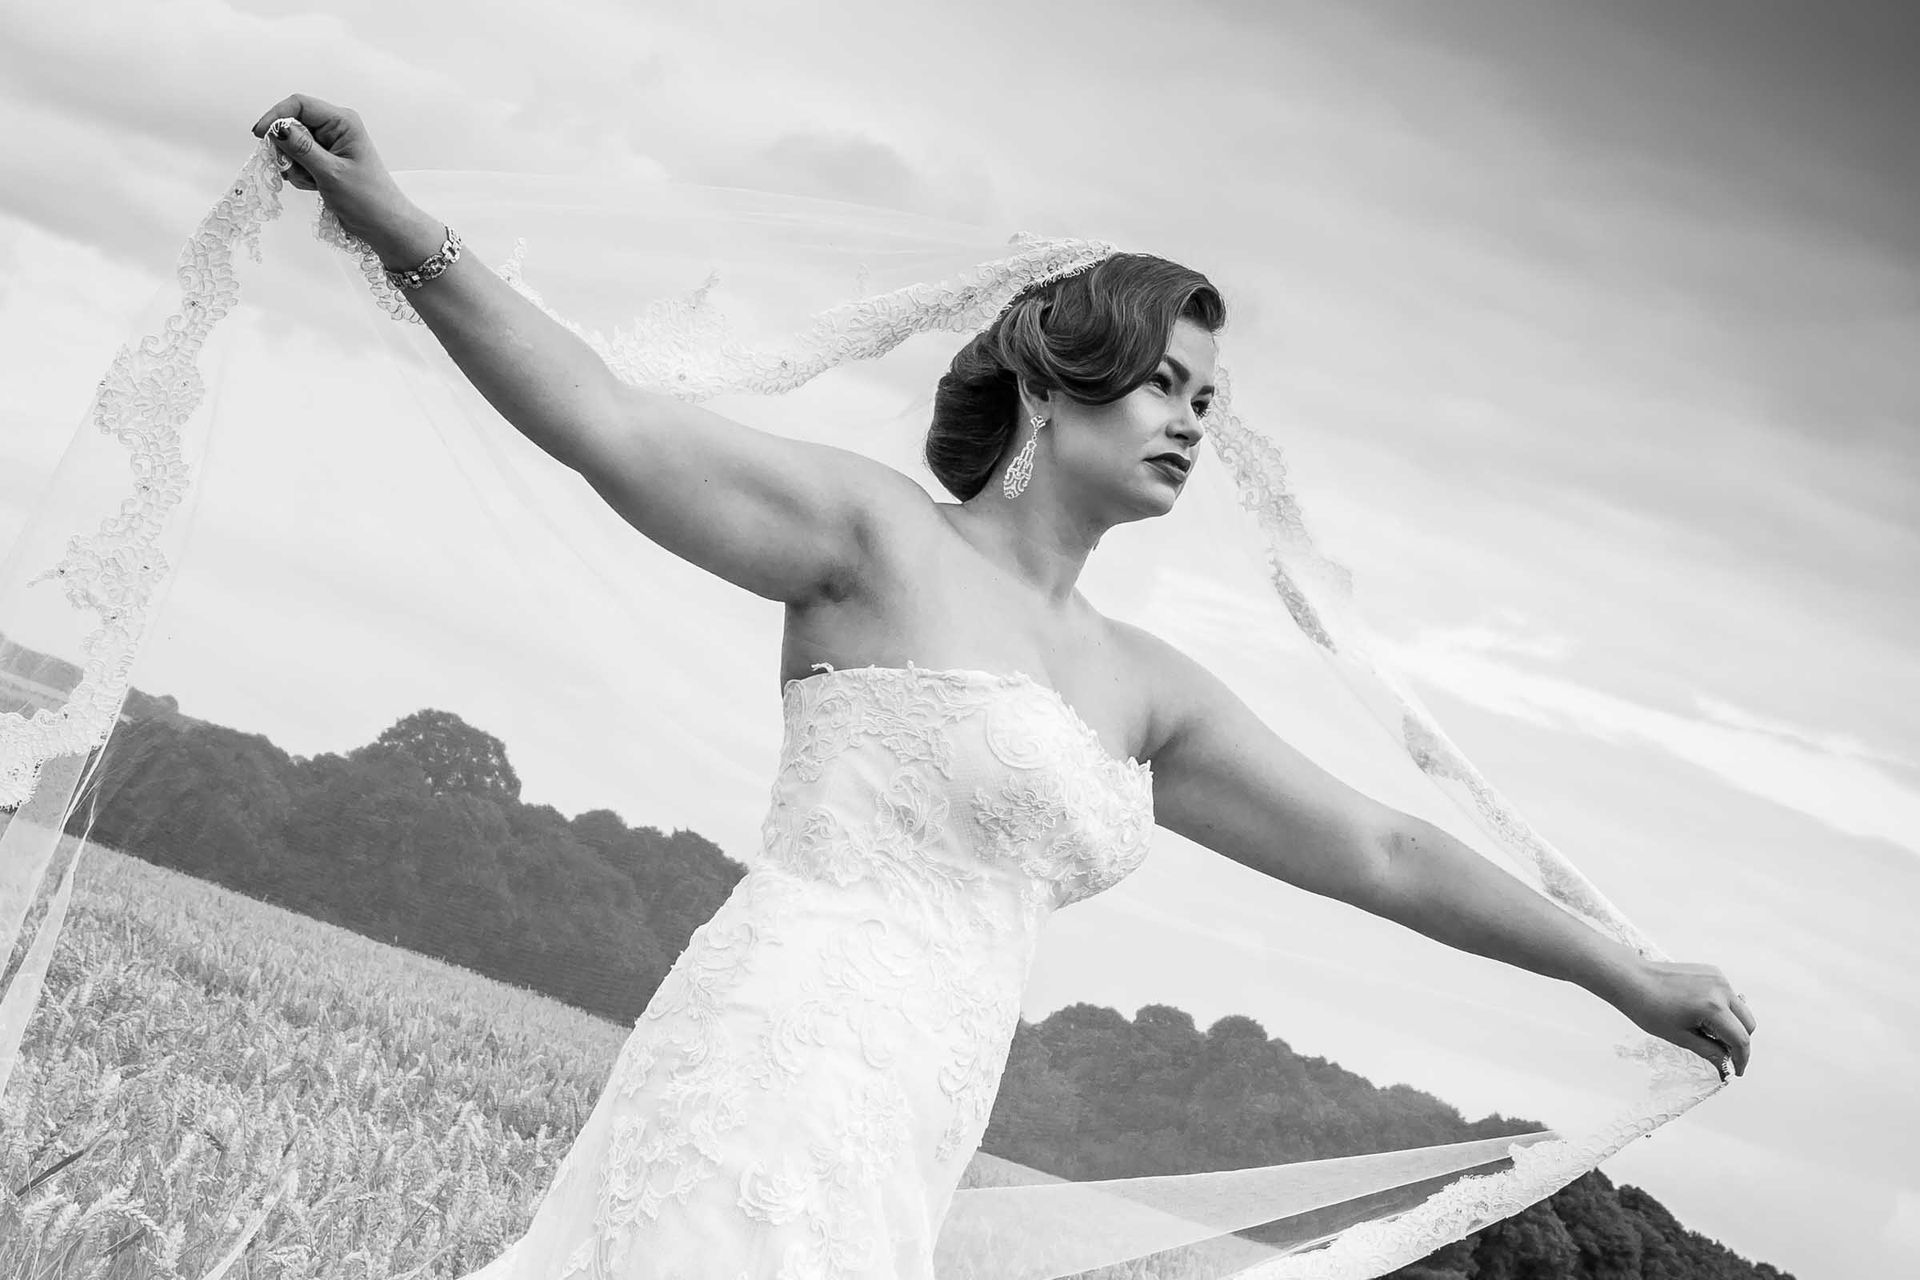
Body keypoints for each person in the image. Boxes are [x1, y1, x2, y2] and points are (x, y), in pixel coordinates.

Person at [240, 93, 1756, 1279]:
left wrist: (1620, 969)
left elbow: (1384, 850)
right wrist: (395, 222)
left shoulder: (1148, 687)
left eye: (1209, 403)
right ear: (1055, 379)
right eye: (1165, 381)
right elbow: (609, 427)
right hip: (773, 1058)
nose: (1190, 422)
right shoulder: (869, 538)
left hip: (915, 1121)